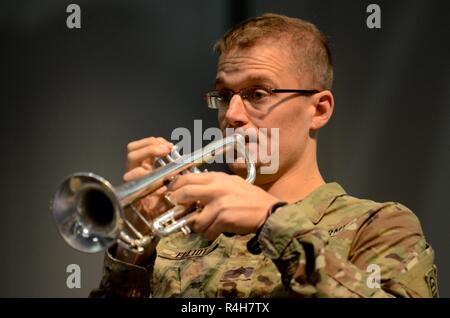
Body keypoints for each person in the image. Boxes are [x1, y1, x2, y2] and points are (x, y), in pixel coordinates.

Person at [90, 13, 438, 298]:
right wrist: (133, 249)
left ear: (319, 109)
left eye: (257, 93)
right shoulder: (176, 238)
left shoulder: (379, 225)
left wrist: (273, 223)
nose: (232, 115)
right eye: (225, 95)